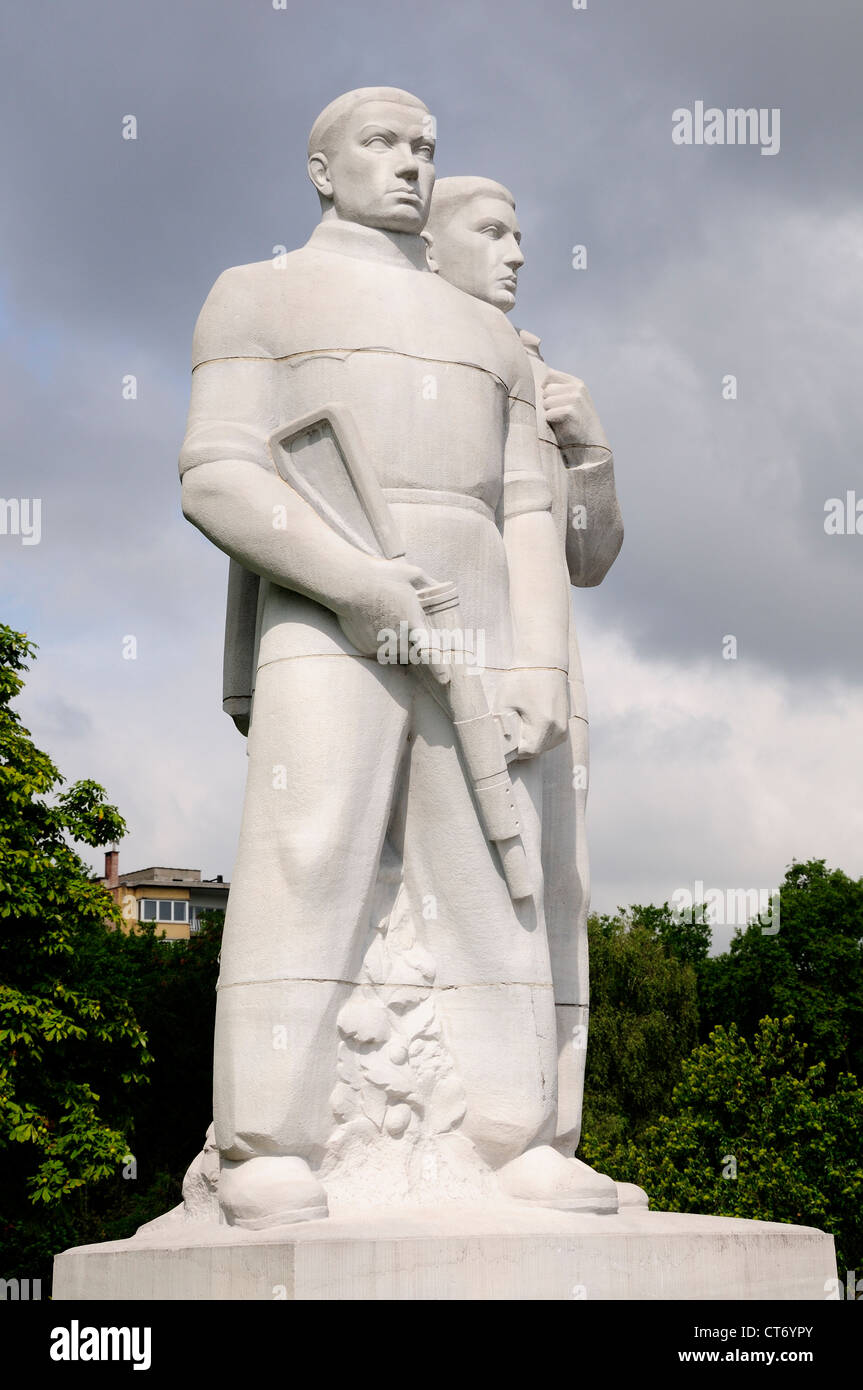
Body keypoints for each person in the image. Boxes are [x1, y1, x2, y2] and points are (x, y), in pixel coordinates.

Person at [179, 88, 609, 1225]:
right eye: (382, 144)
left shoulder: (484, 336)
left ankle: (511, 1134)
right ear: (322, 167)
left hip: (476, 599)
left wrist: (534, 671)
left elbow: (528, 510)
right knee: (305, 844)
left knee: (489, 870)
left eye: (425, 147)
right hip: (331, 590)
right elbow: (217, 472)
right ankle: (268, 1139)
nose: (410, 165)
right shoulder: (256, 294)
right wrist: (357, 585)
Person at [423, 177, 625, 1172]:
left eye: (519, 235)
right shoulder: (411, 360)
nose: (514, 252)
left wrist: (586, 445)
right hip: (443, 664)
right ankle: (464, 1132)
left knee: (555, 897)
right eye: (490, 233)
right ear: (428, 248)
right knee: (460, 895)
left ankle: (551, 1136)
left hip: (556, 681)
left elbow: (589, 556)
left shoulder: (541, 380)